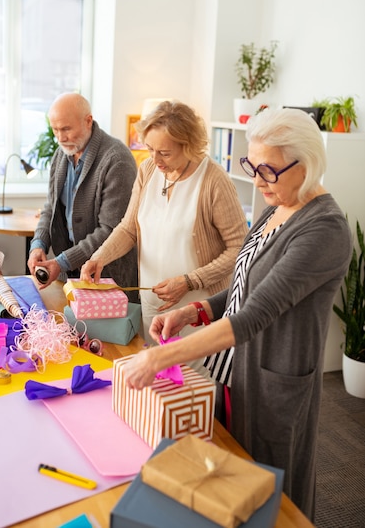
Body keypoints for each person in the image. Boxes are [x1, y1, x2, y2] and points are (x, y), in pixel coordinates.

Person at [120, 106, 353, 521]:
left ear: (308, 164)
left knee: (275, 494)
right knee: (234, 476)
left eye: (270, 170)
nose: (259, 180)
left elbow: (254, 315)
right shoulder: (275, 204)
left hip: (274, 377)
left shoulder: (325, 229)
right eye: (254, 166)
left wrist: (158, 356)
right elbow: (245, 284)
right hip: (234, 370)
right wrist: (196, 310)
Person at [80, 100, 248, 371]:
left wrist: (190, 281)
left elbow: (240, 248)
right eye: (150, 149)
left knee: (193, 392)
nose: (155, 160)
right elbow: (128, 227)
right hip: (153, 307)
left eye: (165, 153)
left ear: (189, 145)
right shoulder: (147, 171)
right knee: (158, 385)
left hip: (197, 310)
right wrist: (99, 257)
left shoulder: (214, 181)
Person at [27, 92, 138, 300]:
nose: (60, 137)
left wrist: (61, 262)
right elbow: (51, 207)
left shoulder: (117, 160)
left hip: (108, 279)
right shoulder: (62, 154)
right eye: (55, 129)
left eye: (66, 129)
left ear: (88, 121)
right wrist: (38, 245)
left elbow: (111, 230)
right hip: (71, 277)